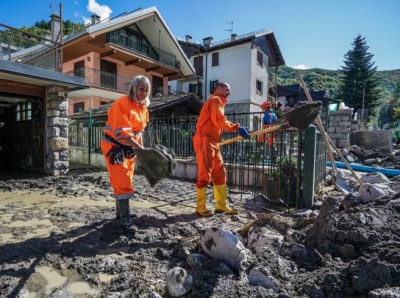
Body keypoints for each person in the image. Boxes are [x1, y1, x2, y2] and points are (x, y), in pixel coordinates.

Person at [100, 75, 151, 231]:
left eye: (146, 90)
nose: (143, 93)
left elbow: (139, 130)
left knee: (127, 177)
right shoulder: (122, 103)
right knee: (123, 181)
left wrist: (140, 149)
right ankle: (125, 220)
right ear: (134, 88)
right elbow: (122, 133)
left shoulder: (143, 107)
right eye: (141, 89)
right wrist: (140, 149)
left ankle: (119, 213)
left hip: (128, 147)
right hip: (114, 146)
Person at [192, 81, 251, 217]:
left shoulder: (217, 101)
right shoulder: (216, 100)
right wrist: (236, 128)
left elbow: (217, 121)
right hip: (204, 140)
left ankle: (221, 205)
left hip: (212, 142)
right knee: (204, 174)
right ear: (219, 89)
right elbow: (219, 120)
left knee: (219, 172)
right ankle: (200, 207)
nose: (229, 92)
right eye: (227, 90)